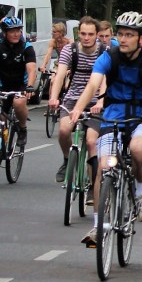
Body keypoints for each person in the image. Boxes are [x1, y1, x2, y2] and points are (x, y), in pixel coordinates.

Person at [70, 12, 142, 247]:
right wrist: (77, 110)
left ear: (141, 38)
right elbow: (93, 84)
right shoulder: (108, 57)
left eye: (129, 35)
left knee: (139, 148)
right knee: (103, 167)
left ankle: (141, 194)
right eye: (121, 34)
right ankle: (97, 225)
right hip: (112, 116)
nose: (123, 39)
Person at [48, 16, 105, 185]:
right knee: (64, 130)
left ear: (97, 35)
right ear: (78, 33)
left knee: (91, 141)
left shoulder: (104, 51)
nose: (86, 38)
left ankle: (92, 185)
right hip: (73, 98)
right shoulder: (70, 50)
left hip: (95, 101)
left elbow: (106, 79)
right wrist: (53, 98)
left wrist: (101, 102)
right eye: (83, 34)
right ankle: (67, 160)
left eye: (90, 34)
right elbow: (60, 75)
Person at [0, 16, 38, 146]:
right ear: (4, 32)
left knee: (18, 103)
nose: (16, 34)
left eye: (18, 30)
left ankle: (22, 128)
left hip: (21, 86)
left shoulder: (26, 47)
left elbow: (31, 69)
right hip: (3, 86)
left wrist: (30, 86)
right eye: (12, 31)